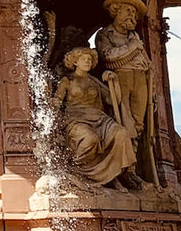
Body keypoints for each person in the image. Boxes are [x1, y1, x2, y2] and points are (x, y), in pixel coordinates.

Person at [51, 48, 135, 186]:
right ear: (75, 62)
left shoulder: (94, 81)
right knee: (91, 139)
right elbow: (57, 100)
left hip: (99, 118)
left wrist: (114, 82)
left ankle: (118, 174)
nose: (87, 62)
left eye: (90, 60)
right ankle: (76, 170)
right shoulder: (67, 80)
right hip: (76, 118)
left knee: (121, 133)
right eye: (84, 59)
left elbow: (111, 99)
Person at [96, 0, 156, 183]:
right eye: (128, 11)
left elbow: (146, 62)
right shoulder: (105, 34)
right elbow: (109, 57)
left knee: (139, 124)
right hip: (120, 78)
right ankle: (124, 168)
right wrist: (132, 48)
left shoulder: (135, 36)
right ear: (115, 11)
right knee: (123, 121)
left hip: (140, 79)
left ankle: (135, 167)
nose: (132, 16)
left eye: (134, 13)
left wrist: (152, 91)